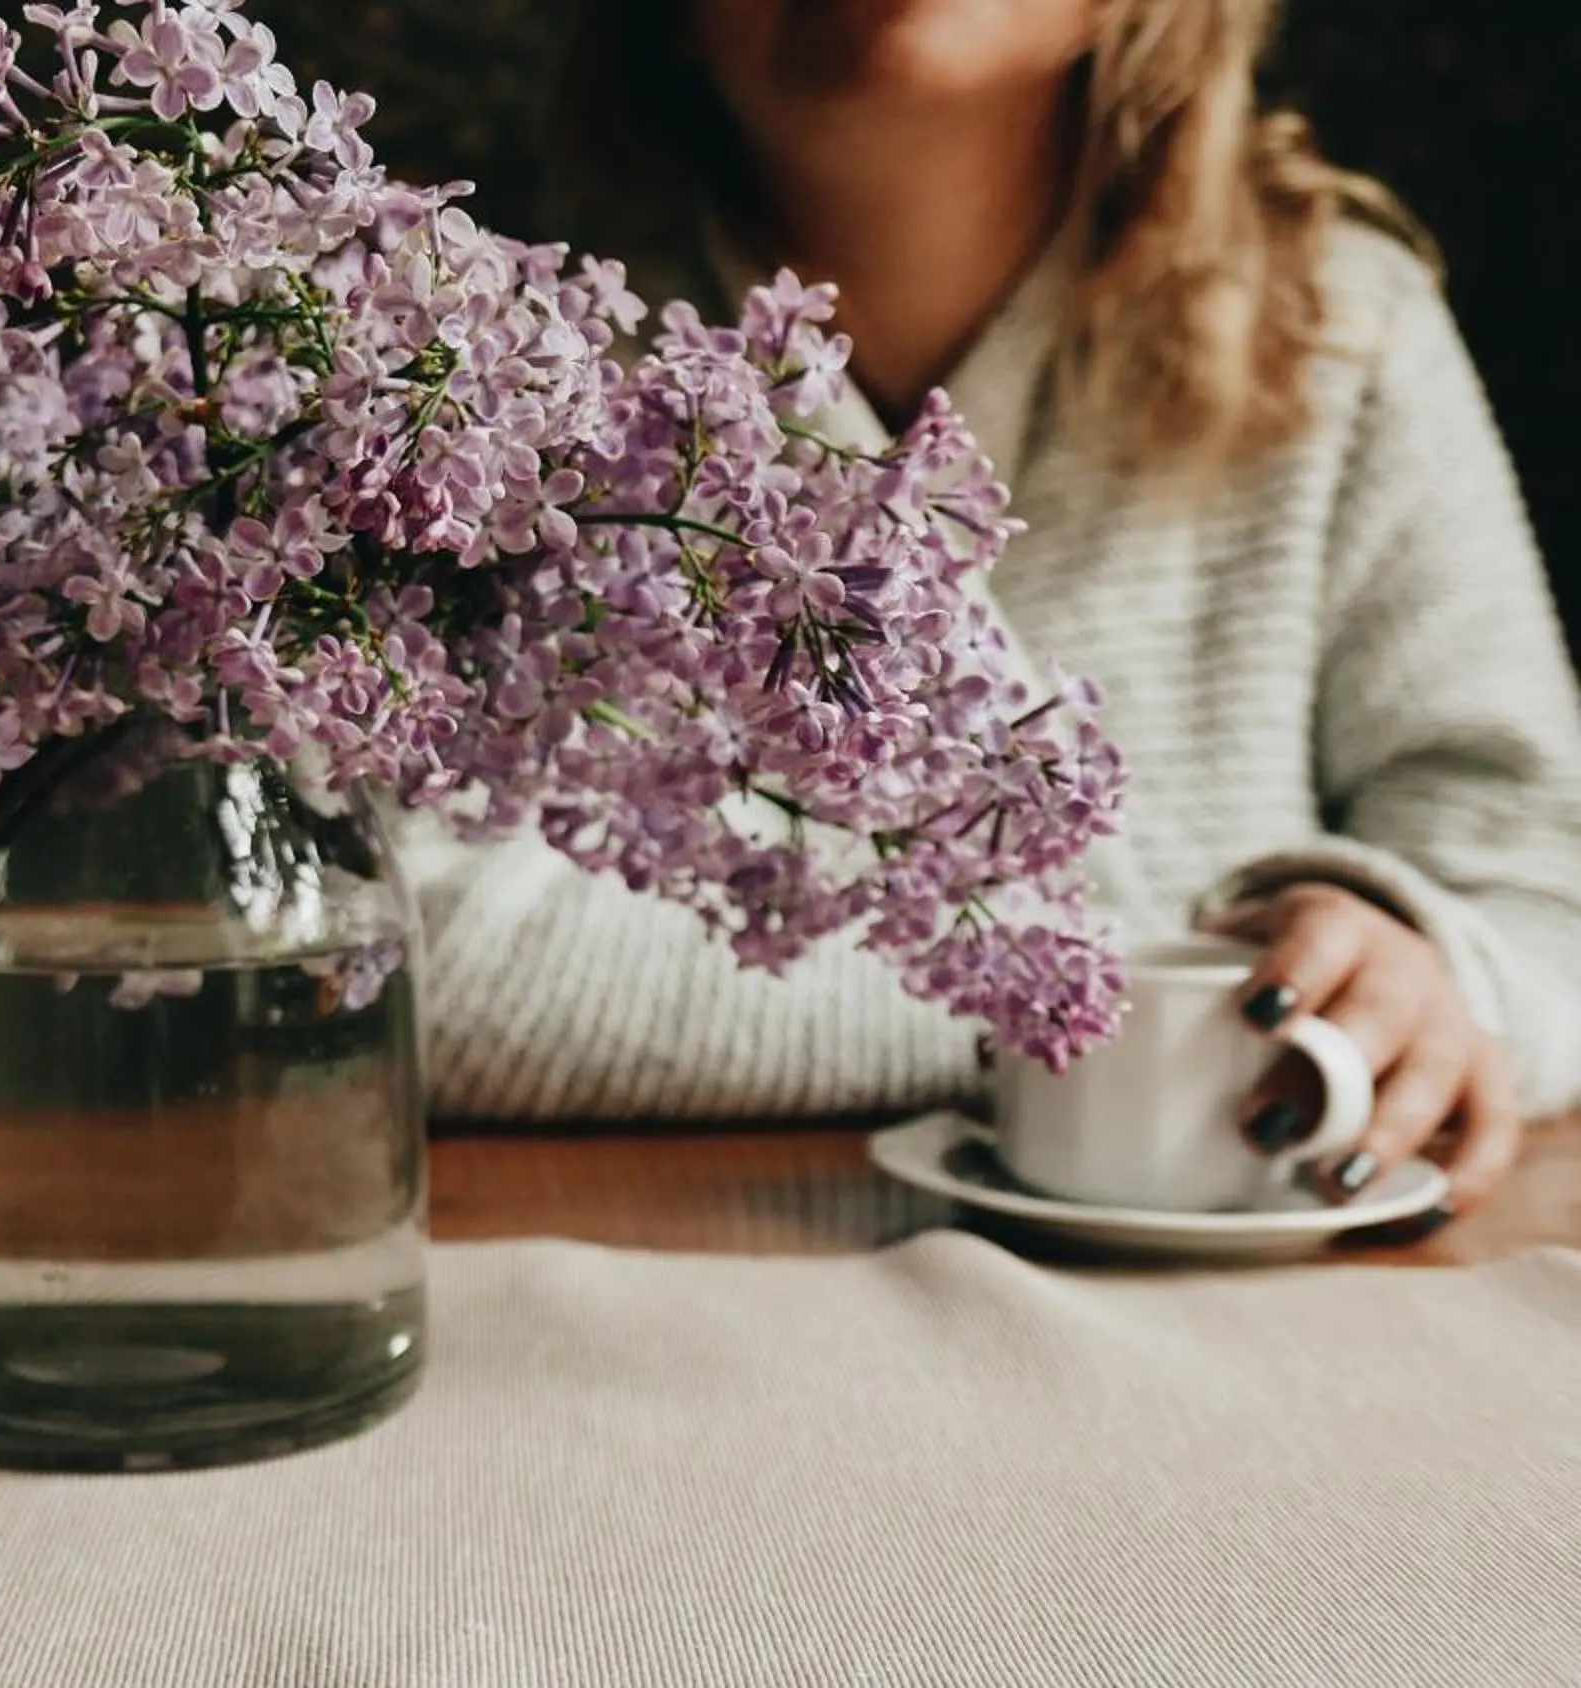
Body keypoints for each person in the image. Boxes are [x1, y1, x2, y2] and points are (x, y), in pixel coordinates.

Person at [408, 0, 1581, 1212]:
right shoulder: (481, 379)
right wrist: (1127, 1004)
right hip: (663, 1288)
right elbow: (400, 952)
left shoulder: (1340, 324)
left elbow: (1543, 882)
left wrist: (1424, 981)